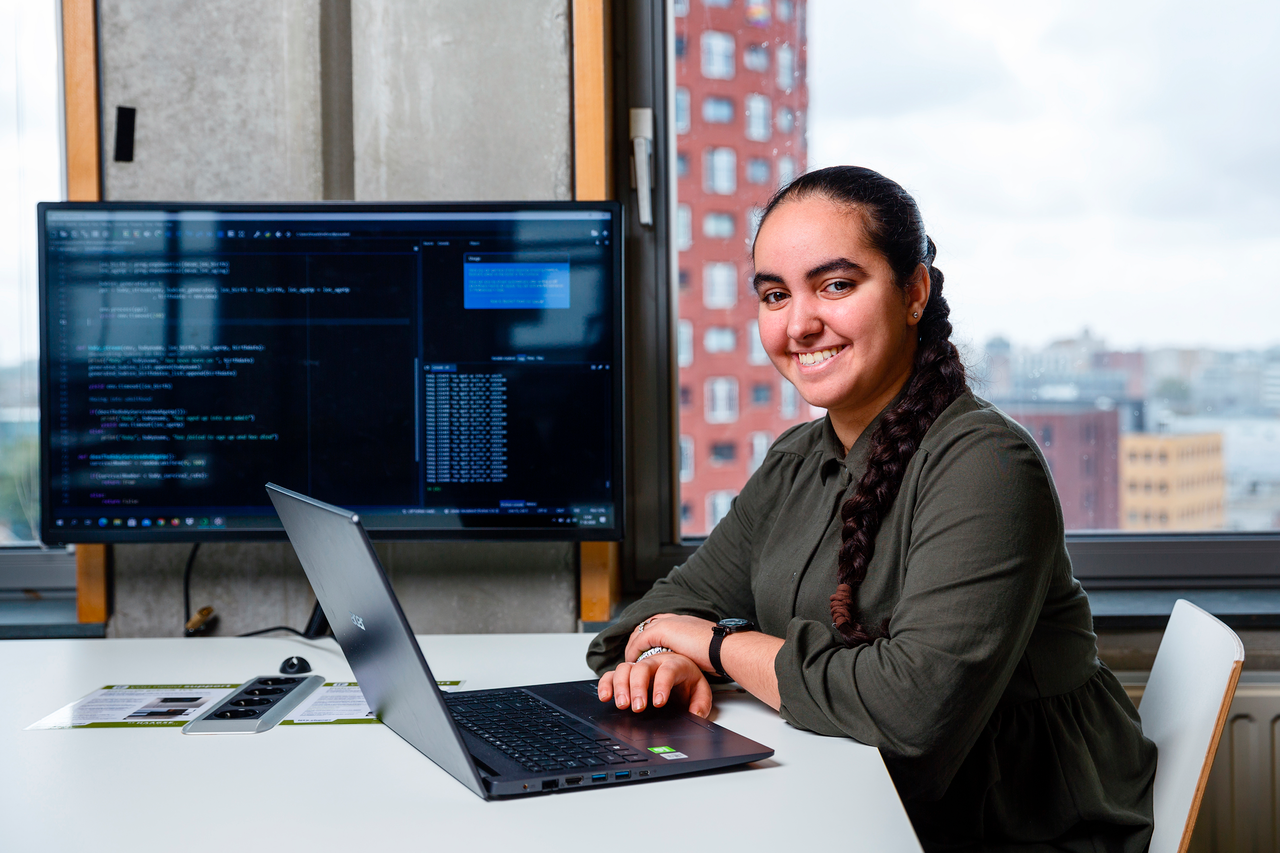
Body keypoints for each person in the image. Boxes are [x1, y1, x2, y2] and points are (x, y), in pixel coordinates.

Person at [588, 166, 1156, 851]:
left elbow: (908, 711)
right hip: (857, 803)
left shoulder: (989, 466)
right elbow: (635, 627)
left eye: (835, 285)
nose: (800, 323)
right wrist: (671, 658)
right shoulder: (799, 457)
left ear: (914, 291)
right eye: (774, 294)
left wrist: (711, 645)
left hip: (1008, 829)